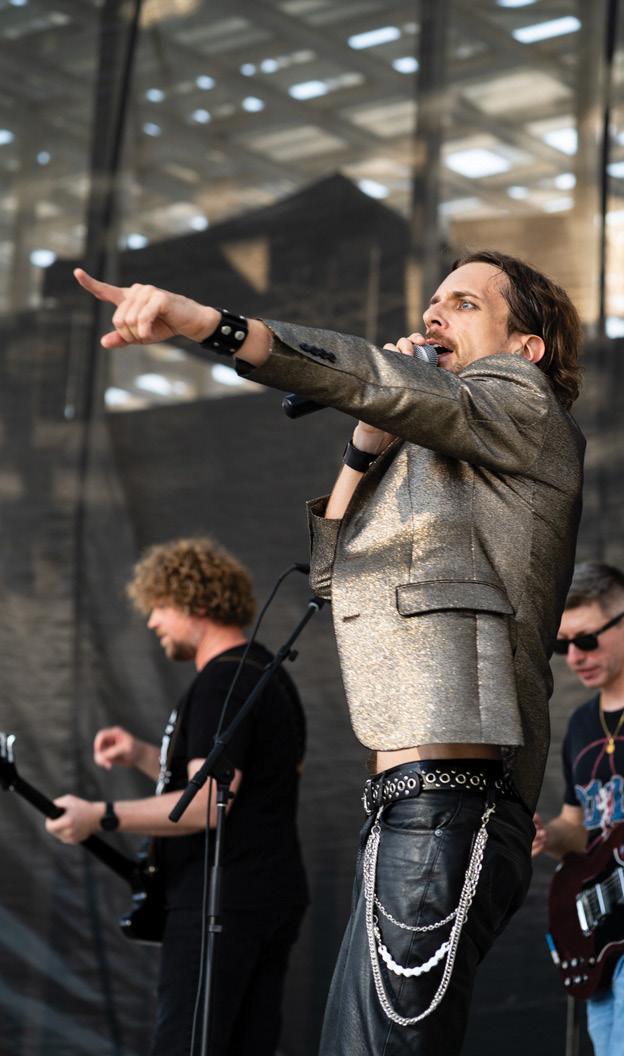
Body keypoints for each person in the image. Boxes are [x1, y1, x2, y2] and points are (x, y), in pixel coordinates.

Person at [73, 248, 584, 1054]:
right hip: (404, 804)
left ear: (527, 347)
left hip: (454, 797)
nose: (433, 314)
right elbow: (332, 574)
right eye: (433, 301)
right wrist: (364, 446)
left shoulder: (528, 407)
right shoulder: (431, 452)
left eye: (465, 303)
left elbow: (373, 376)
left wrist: (211, 326)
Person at [46, 536, 308, 1056]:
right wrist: (145, 755)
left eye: (160, 606)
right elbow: (238, 781)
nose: (152, 621)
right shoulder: (265, 675)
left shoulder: (220, 682)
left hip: (219, 901)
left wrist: (99, 815)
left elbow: (209, 802)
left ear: (197, 603)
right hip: (268, 896)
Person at [533, 562, 624, 1056]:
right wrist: (546, 836)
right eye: (562, 645)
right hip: (605, 944)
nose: (574, 657)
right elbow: (578, 827)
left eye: (586, 640)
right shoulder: (582, 725)